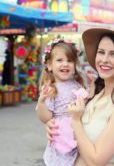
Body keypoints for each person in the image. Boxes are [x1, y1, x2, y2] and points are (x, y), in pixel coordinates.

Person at [47, 28, 114, 166]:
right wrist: (56, 127)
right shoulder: (98, 94)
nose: (104, 60)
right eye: (101, 52)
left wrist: (76, 121)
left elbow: (96, 161)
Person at [36, 38, 88, 166]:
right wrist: (42, 102)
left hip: (79, 131)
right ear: (49, 65)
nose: (65, 64)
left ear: (75, 64)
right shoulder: (51, 88)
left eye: (69, 60)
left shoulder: (77, 84)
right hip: (62, 135)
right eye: (59, 60)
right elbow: (46, 118)